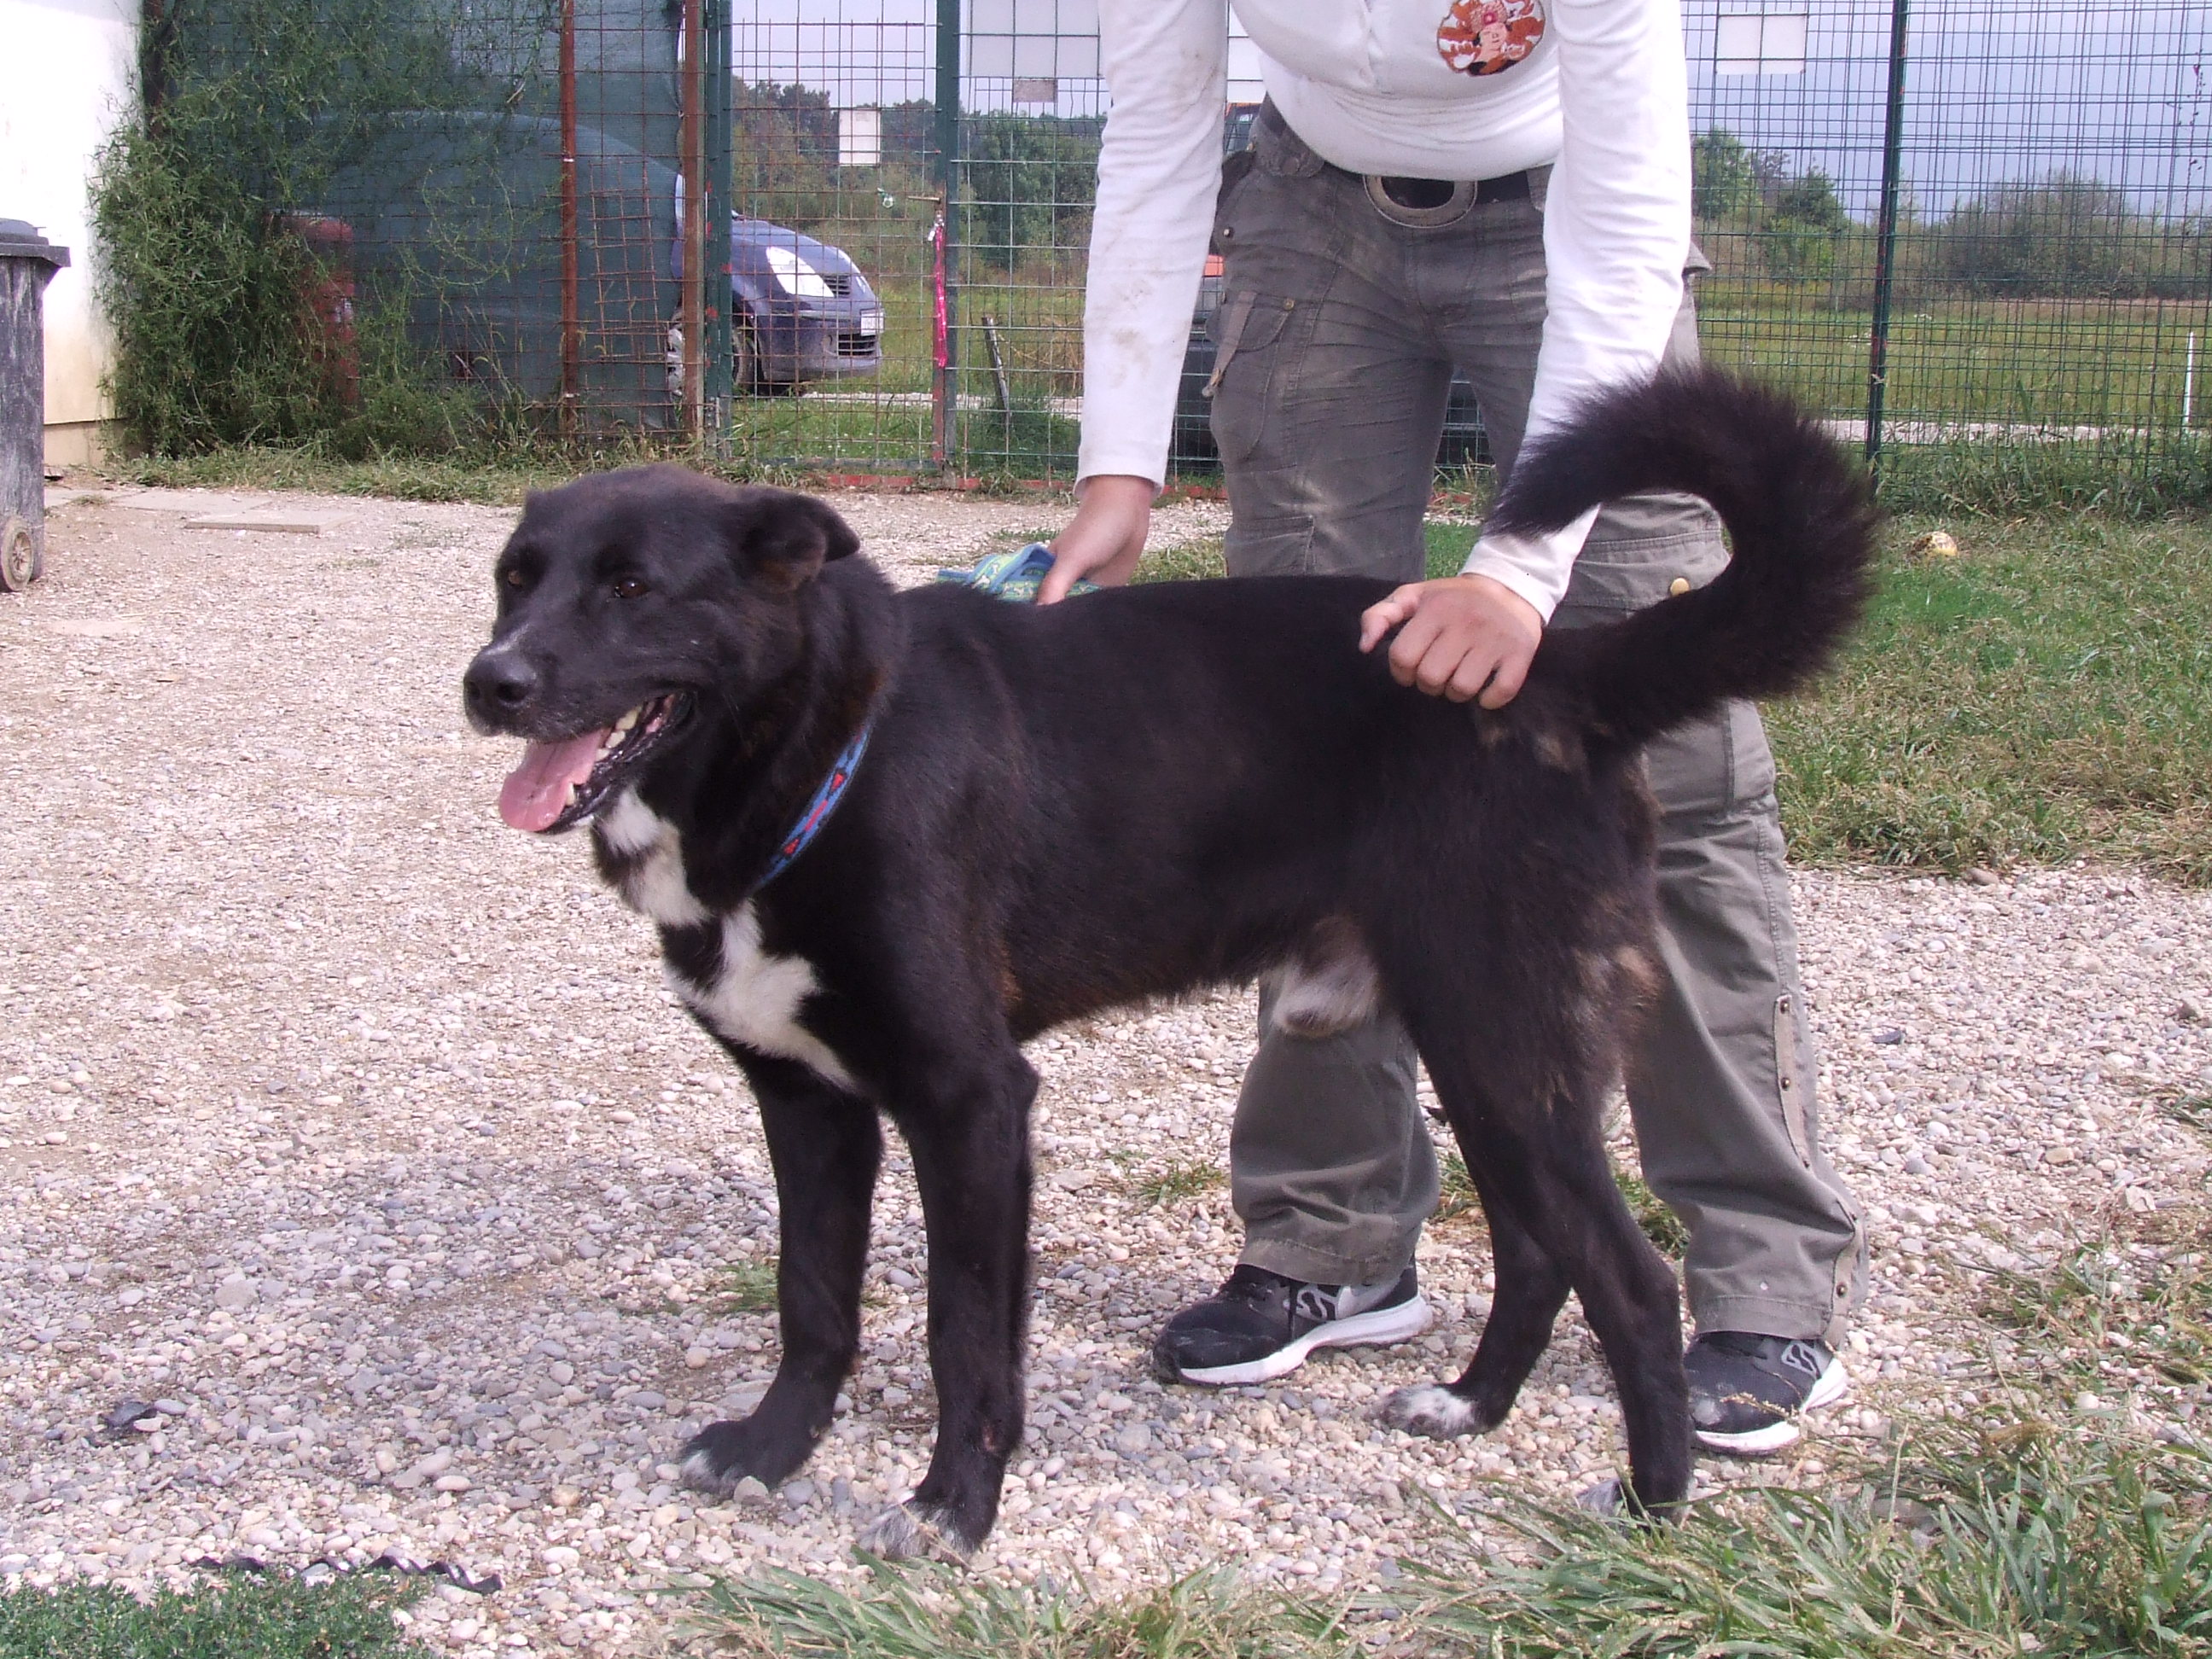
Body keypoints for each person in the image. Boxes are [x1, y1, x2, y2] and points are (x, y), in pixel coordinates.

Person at [1039, 0, 1867, 1455]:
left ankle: (1761, 1276)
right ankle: (1332, 1237)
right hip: (1313, 211)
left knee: (1668, 762)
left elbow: (1629, 203)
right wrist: (1120, 463)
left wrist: (1518, 573)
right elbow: (1159, 129)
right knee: (1298, 744)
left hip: (1565, 206)